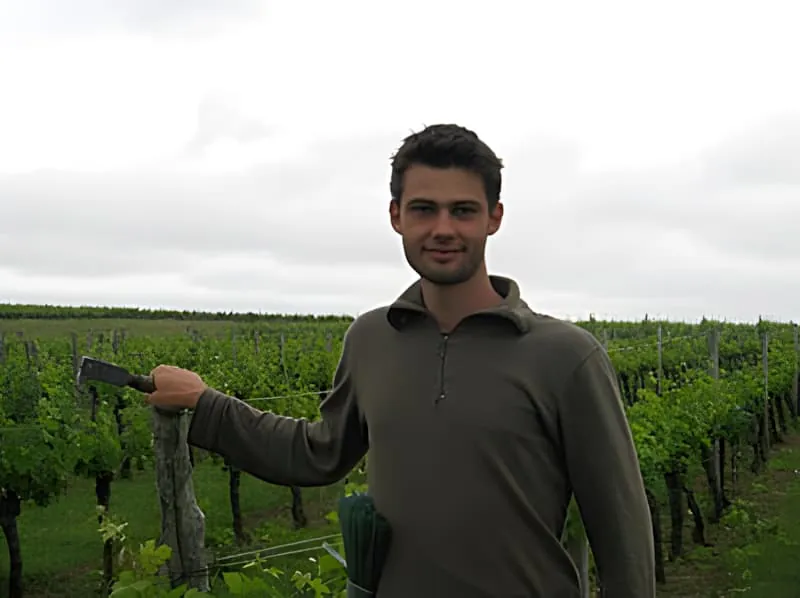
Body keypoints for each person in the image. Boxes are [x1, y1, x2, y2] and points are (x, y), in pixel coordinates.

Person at [147, 124, 656, 597]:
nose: (442, 228)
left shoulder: (565, 356)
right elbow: (317, 453)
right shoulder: (371, 339)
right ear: (396, 216)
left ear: (494, 218)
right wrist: (205, 404)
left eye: (462, 210)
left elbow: (621, 529)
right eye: (423, 209)